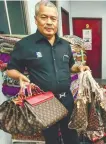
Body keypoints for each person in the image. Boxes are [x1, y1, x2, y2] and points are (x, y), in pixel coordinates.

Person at [6, 1, 89, 144]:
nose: (49, 22)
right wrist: (19, 76)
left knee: (71, 136)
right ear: (36, 19)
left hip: (66, 99)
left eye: (53, 18)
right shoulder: (25, 45)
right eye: (44, 17)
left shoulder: (64, 45)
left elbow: (70, 66)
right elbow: (10, 70)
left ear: (57, 21)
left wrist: (79, 68)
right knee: (51, 138)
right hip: (43, 102)